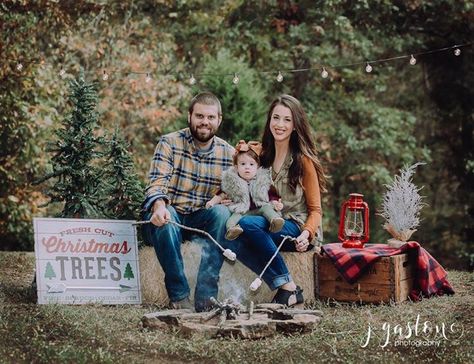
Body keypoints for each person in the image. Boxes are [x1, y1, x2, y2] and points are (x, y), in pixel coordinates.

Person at [141, 92, 234, 312]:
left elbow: (233, 194)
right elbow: (157, 183)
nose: (205, 122)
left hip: (200, 220)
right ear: (189, 116)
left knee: (221, 215)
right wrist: (159, 206)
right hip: (167, 217)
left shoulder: (229, 154)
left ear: (219, 120)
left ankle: (206, 296)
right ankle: (179, 295)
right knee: (168, 218)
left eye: (211, 117)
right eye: (199, 116)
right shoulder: (169, 143)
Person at [233, 94, 327, 307]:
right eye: (276, 118)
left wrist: (307, 233)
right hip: (268, 224)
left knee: (247, 224)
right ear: (269, 121)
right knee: (232, 239)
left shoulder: (303, 161)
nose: (280, 124)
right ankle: (288, 287)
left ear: (295, 125)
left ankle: (287, 287)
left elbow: (316, 210)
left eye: (287, 119)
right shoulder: (262, 158)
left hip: (296, 227)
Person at [207, 140, 285, 241]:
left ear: (257, 167)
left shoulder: (262, 180)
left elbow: (272, 195)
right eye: (243, 164)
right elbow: (221, 194)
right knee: (232, 218)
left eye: (251, 164)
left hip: (259, 207)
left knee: (268, 208)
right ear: (236, 167)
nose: (247, 167)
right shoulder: (232, 181)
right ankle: (232, 229)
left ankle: (275, 221)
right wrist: (212, 202)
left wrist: (276, 203)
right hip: (241, 210)